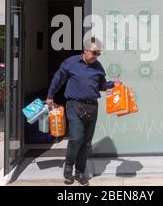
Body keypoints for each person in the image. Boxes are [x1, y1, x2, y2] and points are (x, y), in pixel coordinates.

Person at [46, 37, 120, 186]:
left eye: (98, 53)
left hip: (92, 107)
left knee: (86, 142)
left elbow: (102, 85)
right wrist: (50, 96)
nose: (96, 56)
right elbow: (58, 78)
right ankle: (68, 166)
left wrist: (114, 84)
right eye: (94, 52)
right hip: (74, 105)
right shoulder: (71, 63)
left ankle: (80, 172)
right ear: (85, 51)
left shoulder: (98, 66)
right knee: (76, 138)